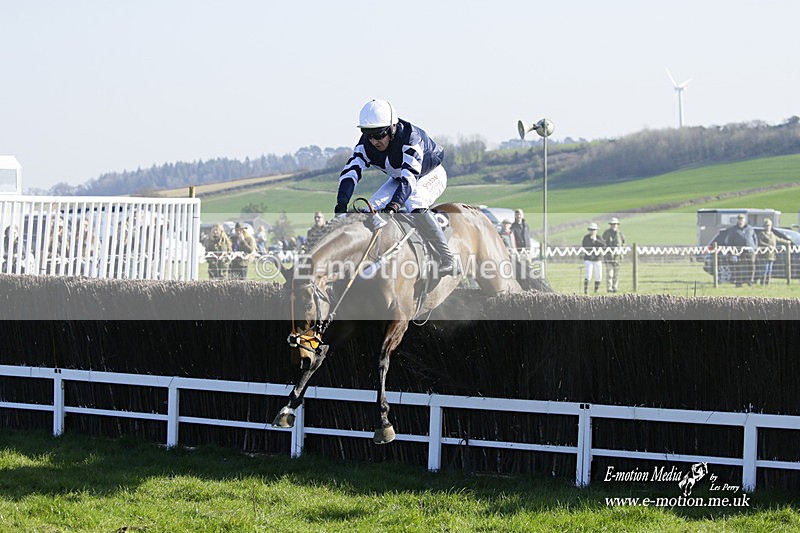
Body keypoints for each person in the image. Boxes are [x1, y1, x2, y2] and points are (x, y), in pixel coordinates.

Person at [336, 99, 459, 275]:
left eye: (379, 135)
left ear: (392, 128)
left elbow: (409, 179)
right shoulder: (365, 144)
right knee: (370, 208)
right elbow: (350, 173)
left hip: (429, 174)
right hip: (400, 178)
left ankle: (448, 259)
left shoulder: (411, 138)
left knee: (414, 204)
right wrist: (341, 204)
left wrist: (393, 206)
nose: (373, 141)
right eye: (368, 134)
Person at [757, 218, 791, 286]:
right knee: (765, 269)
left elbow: (779, 239)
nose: (768, 227)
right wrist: (767, 245)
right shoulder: (762, 234)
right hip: (764, 255)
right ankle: (762, 283)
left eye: (769, 225)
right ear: (764, 226)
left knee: (769, 270)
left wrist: (787, 242)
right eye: (766, 225)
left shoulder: (772, 234)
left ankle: (767, 283)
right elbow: (759, 242)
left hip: (772, 255)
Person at [727, 214, 757, 287]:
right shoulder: (733, 229)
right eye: (739, 220)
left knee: (752, 266)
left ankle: (750, 281)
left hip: (750, 251)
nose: (741, 221)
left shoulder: (750, 228)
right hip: (739, 251)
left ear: (745, 220)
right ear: (737, 220)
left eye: (742, 220)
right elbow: (729, 241)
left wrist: (755, 248)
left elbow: (755, 238)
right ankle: (739, 282)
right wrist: (732, 251)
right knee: (739, 267)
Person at [601, 217, 626, 293]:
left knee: (616, 274)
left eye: (615, 224)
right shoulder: (606, 233)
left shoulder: (620, 234)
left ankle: (615, 287)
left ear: (617, 225)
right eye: (612, 224)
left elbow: (624, 243)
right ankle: (609, 288)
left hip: (618, 257)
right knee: (609, 273)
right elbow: (603, 243)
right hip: (609, 257)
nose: (614, 225)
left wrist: (621, 250)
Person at [581, 222, 606, 294]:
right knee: (588, 275)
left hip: (597, 259)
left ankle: (596, 290)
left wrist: (595, 240)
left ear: (596, 230)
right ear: (589, 230)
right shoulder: (586, 238)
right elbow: (585, 245)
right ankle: (585, 290)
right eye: (591, 230)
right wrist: (592, 240)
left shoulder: (599, 237)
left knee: (599, 275)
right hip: (588, 258)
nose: (592, 231)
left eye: (594, 230)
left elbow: (603, 245)